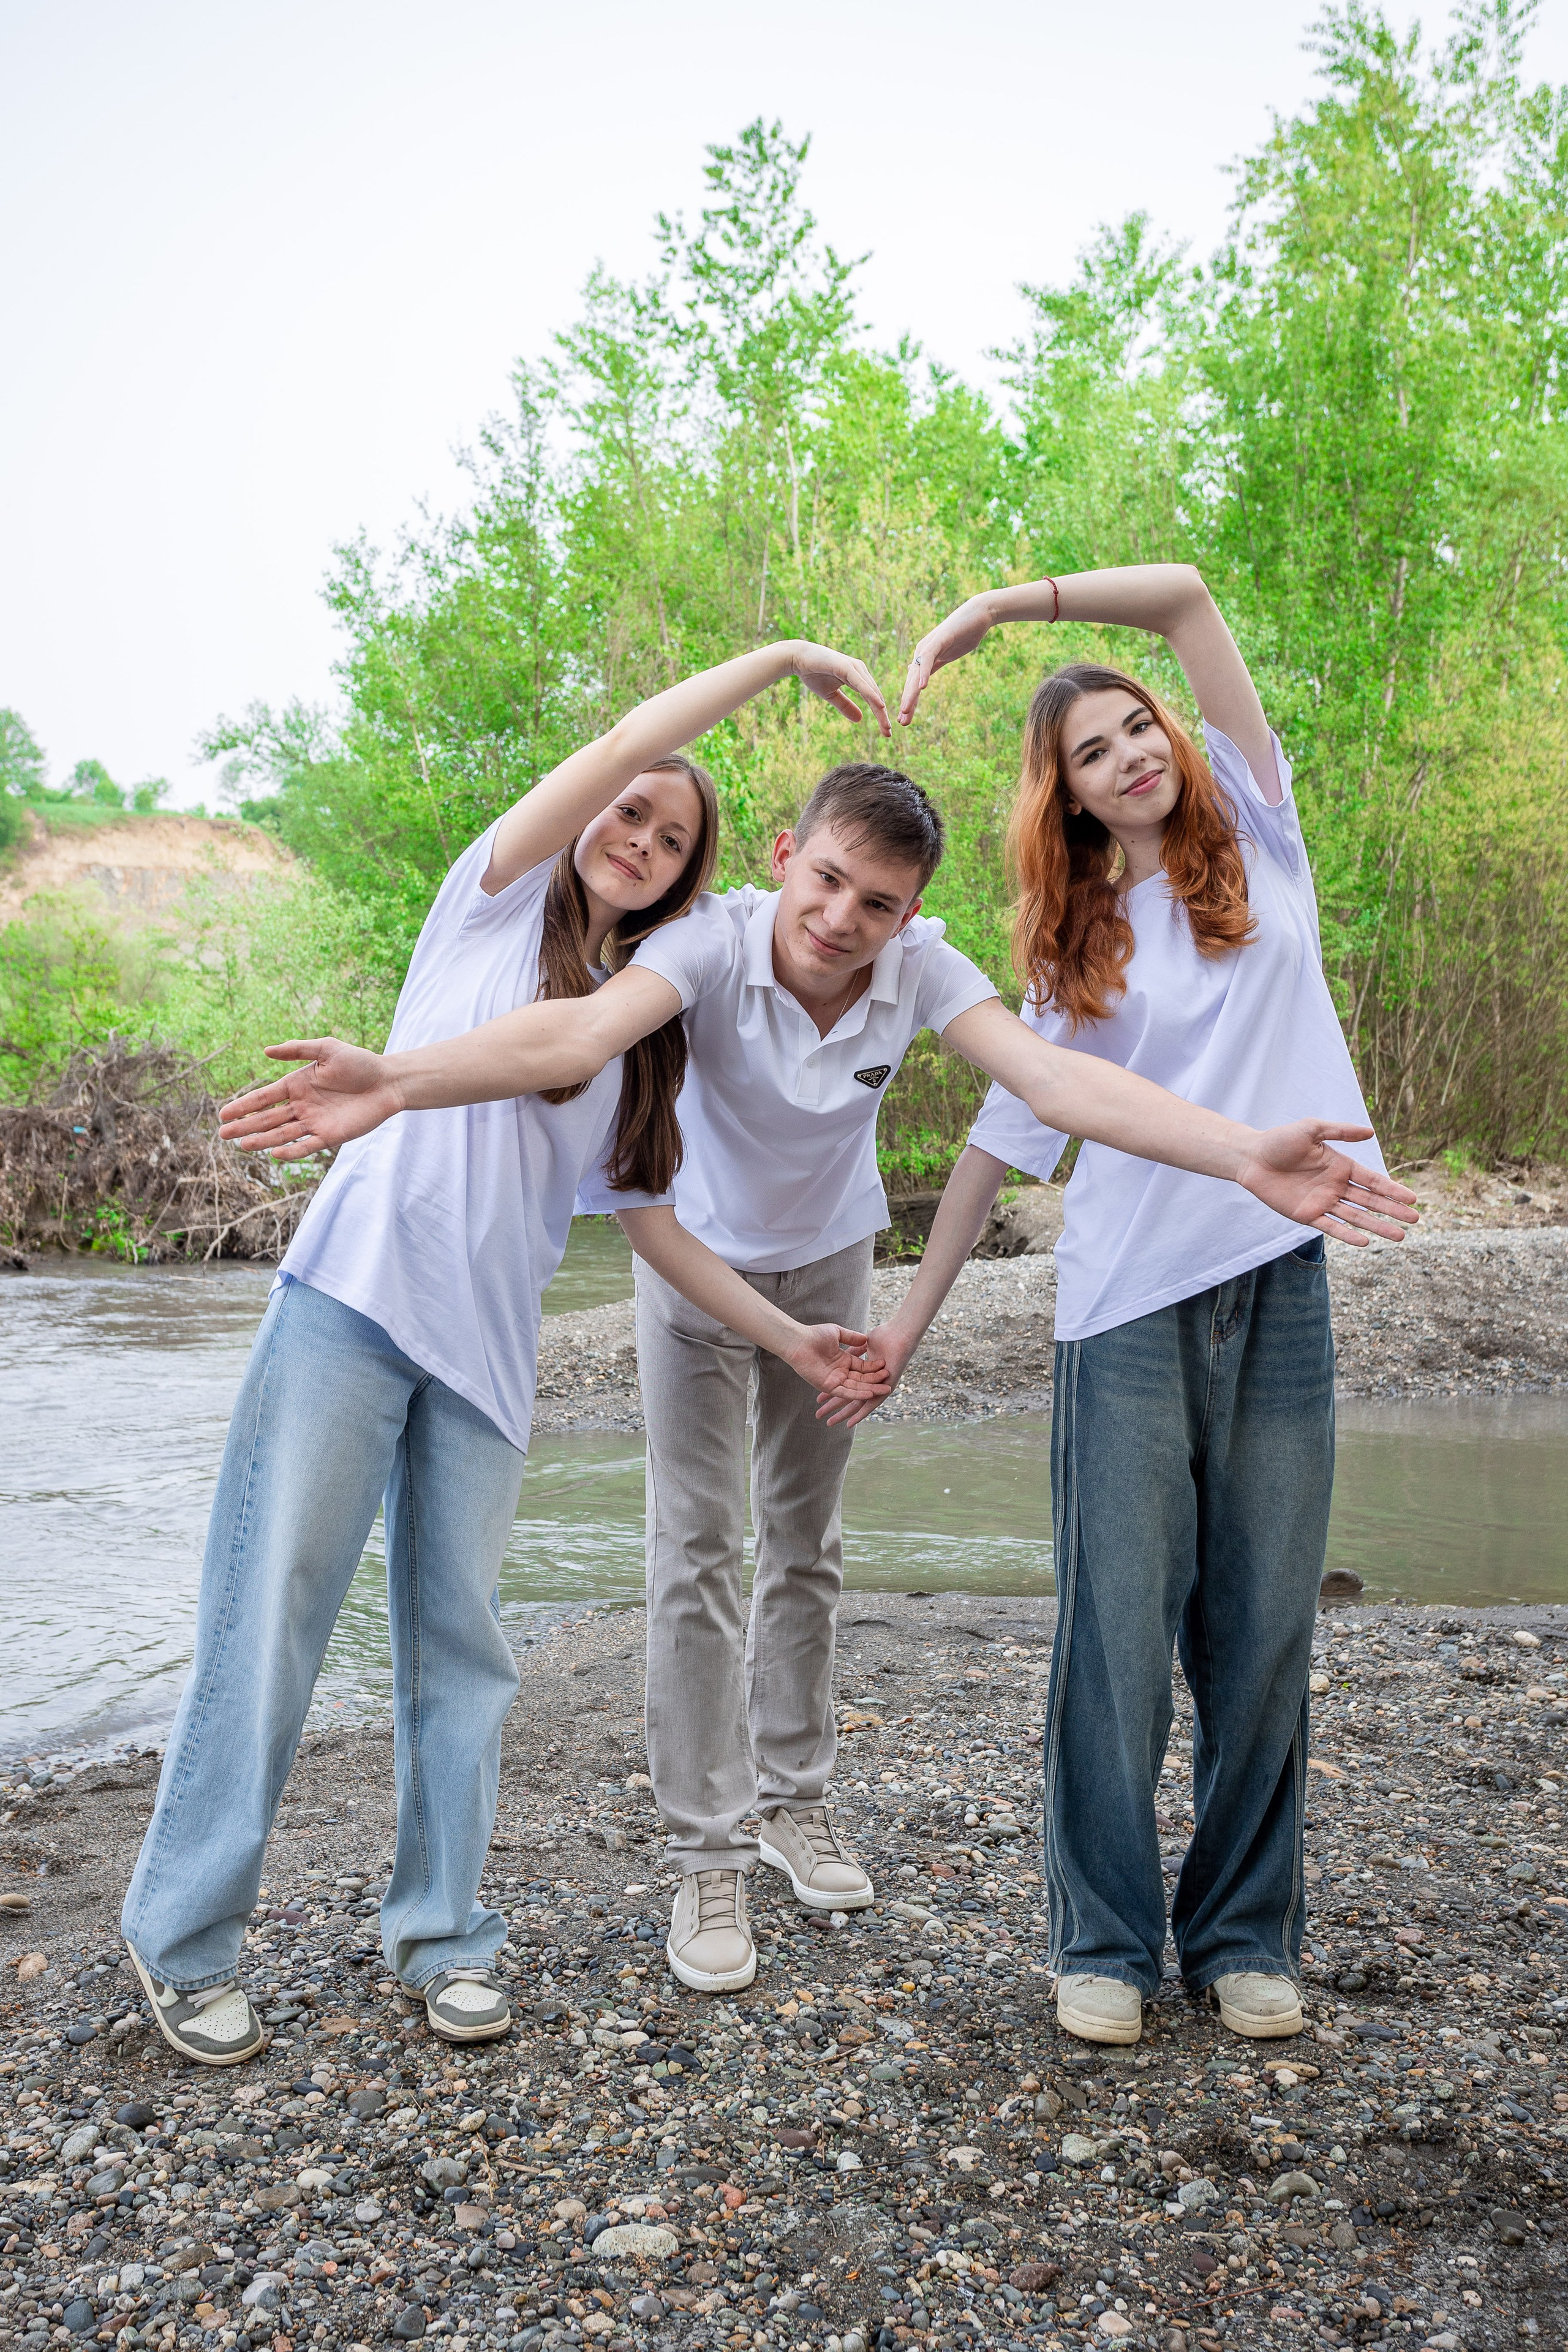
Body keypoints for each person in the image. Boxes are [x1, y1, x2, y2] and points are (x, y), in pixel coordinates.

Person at [223, 665, 1417, 2001]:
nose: (842, 920)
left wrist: (1243, 1152)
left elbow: (1051, 1080)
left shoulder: (914, 967)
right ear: (785, 858)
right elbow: (581, 1030)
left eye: (879, 904)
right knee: (696, 1551)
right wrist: (395, 1081)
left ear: (910, 915)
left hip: (831, 1259)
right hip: (689, 1259)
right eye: (827, 883)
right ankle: (706, 1856)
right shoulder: (707, 942)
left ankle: (796, 1803)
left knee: (806, 1549)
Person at [120, 639, 894, 2066]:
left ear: (682, 879)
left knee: (462, 1655)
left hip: (486, 1360)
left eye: (672, 841)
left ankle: (441, 1934)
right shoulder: (483, 906)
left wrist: (791, 1338)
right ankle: (184, 1939)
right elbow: (619, 747)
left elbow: (654, 1231)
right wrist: (775, 661)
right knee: (273, 1615)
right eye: (630, 815)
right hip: (350, 1307)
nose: (640, 839)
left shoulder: (626, 1035)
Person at [875, 562, 1390, 2047]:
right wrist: (904, 1325)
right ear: (1074, 802)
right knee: (1111, 1635)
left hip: (1275, 1286)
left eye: (1133, 727)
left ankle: (1239, 1934)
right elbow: (1001, 1143)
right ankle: (1099, 1940)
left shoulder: (1265, 839)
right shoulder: (1074, 947)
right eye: (1090, 753)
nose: (1129, 754)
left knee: (1262, 1630)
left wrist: (990, 614)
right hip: (1119, 1310)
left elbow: (1179, 596)